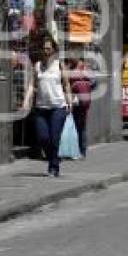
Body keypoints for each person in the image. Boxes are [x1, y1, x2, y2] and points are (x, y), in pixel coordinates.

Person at [24, 35, 73, 177]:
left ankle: (53, 167)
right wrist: (26, 101)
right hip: (41, 108)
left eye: (48, 48)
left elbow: (66, 85)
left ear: (54, 50)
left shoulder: (59, 65)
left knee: (54, 137)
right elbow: (32, 85)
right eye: (44, 48)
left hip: (58, 107)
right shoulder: (37, 66)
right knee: (43, 138)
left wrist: (69, 102)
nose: (46, 51)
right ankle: (54, 158)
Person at [68, 53, 95, 159]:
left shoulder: (85, 69)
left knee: (80, 126)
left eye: (72, 55)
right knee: (74, 126)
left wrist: (82, 87)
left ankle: (82, 151)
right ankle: (76, 150)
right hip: (74, 100)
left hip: (82, 102)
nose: (70, 57)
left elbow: (94, 82)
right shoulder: (71, 68)